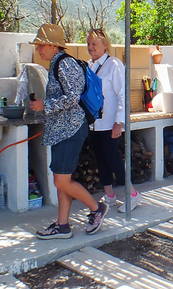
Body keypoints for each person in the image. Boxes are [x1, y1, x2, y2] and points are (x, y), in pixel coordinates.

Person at [29, 23, 108, 239]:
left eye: (41, 45)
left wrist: (44, 105)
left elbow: (72, 98)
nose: (39, 49)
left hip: (70, 130)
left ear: (55, 46)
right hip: (62, 131)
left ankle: (96, 208)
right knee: (61, 179)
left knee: (61, 181)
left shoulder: (64, 64)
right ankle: (62, 226)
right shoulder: (57, 63)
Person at [86, 28, 142, 213]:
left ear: (105, 45)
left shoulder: (114, 65)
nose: (90, 47)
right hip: (95, 123)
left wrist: (119, 122)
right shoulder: (89, 66)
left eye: (94, 44)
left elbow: (122, 94)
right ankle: (109, 195)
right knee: (101, 159)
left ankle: (132, 194)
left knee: (113, 159)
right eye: (88, 44)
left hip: (110, 123)